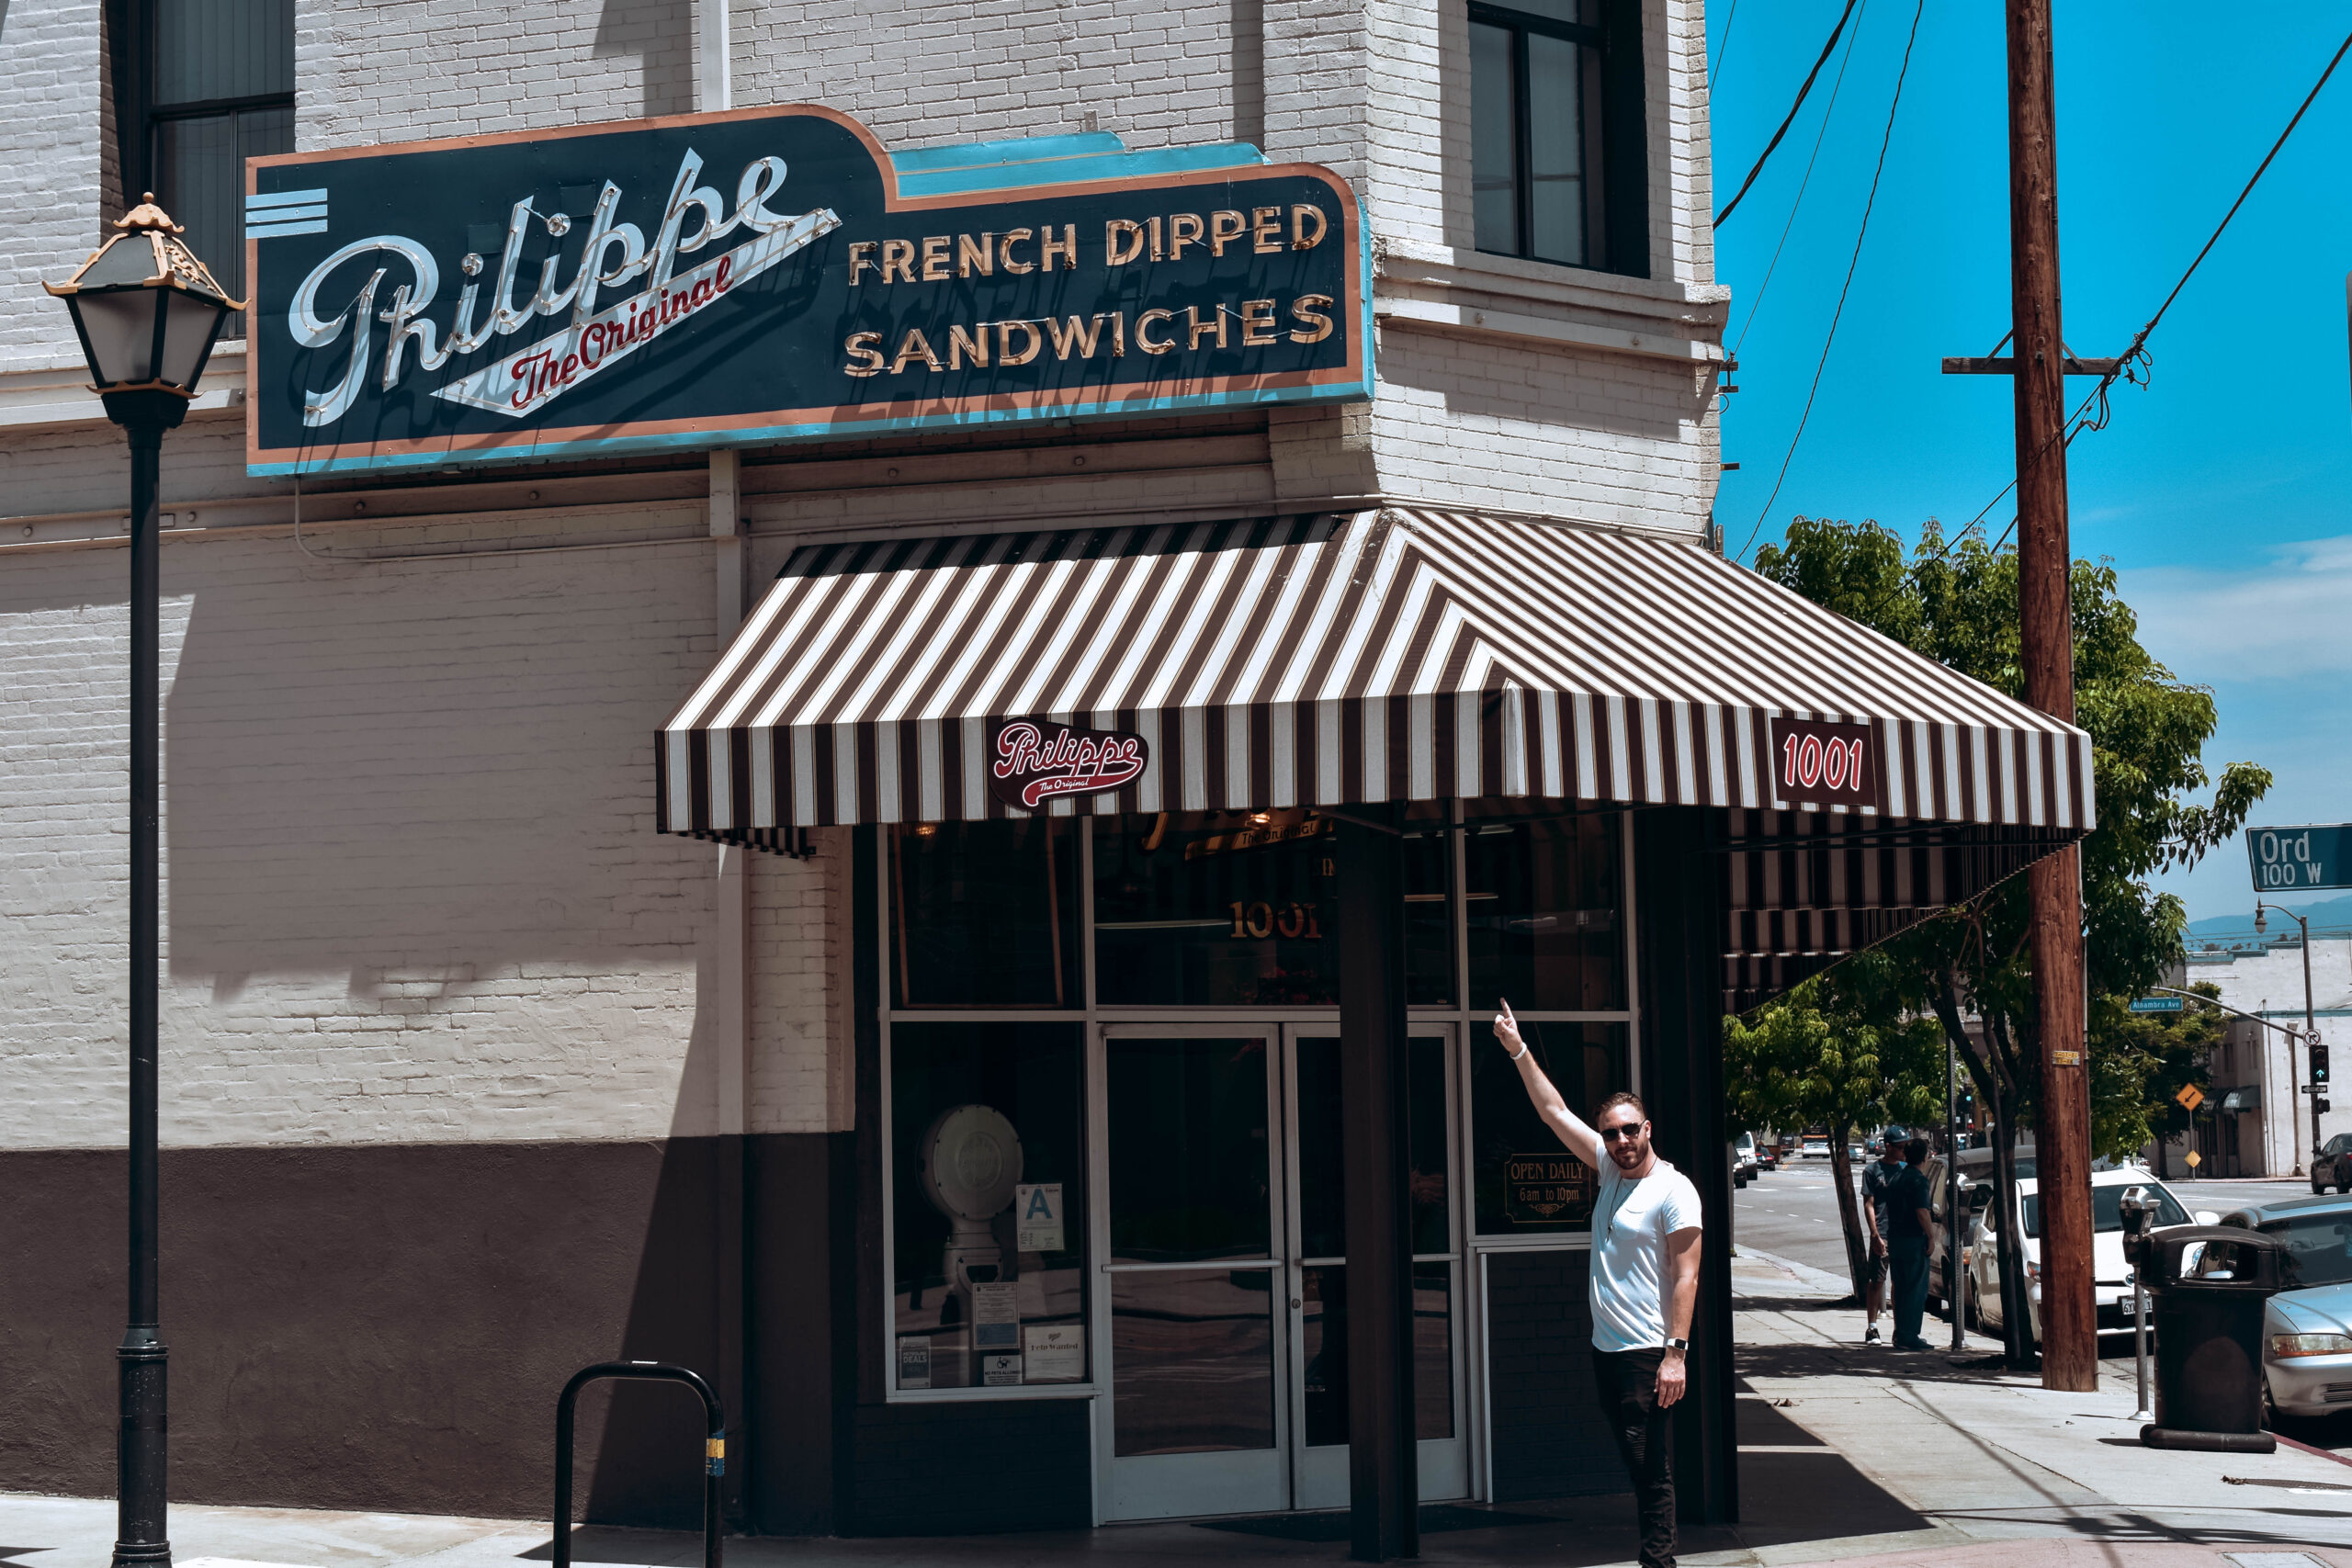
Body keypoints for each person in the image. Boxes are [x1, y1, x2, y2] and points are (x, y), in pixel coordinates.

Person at [1496, 1000, 1702, 1568]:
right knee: (1637, 1461)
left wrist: (1676, 1355)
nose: (1621, 1141)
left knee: (1648, 1465)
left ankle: (1659, 1562)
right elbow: (1553, 1111)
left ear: (1648, 1129)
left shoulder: (1675, 1190)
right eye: (1611, 1133)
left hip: (1647, 1352)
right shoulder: (1610, 1170)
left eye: (1630, 1130)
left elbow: (1687, 1276)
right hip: (1606, 1350)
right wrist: (1518, 1049)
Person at [1885, 1136, 1937, 1351]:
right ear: (1924, 1157)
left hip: (1896, 1238)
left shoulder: (1896, 1178)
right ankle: (1909, 1334)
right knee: (1915, 1289)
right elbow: (1922, 1211)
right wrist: (1931, 1237)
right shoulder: (1918, 1180)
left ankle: (1900, 1332)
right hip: (1913, 1240)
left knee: (1900, 1287)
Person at [1860, 1131, 1907, 1344]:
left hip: (1902, 1234)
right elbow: (1869, 1204)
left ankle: (1899, 1329)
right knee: (1877, 1281)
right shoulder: (1872, 1171)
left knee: (1899, 1283)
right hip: (1883, 1233)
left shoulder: (1905, 1170)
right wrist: (1875, 1234)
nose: (1903, 1151)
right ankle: (1872, 1328)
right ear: (1888, 1146)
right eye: (1900, 1147)